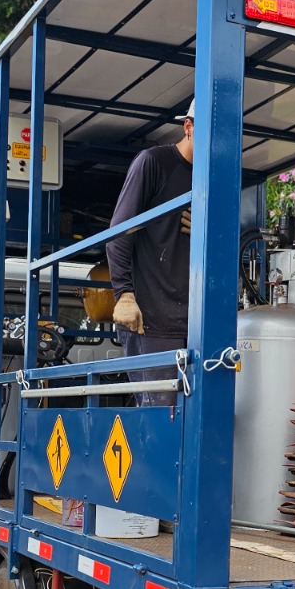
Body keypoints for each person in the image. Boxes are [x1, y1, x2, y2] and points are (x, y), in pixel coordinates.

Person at [106, 99, 194, 407]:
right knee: (159, 415)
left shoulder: (215, 178)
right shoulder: (154, 162)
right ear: (188, 127)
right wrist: (124, 295)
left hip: (196, 323)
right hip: (150, 322)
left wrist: (207, 228)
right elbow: (119, 232)